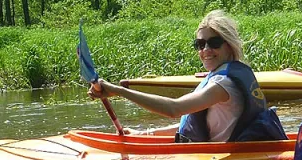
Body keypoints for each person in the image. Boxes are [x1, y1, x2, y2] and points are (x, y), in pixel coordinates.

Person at [87, 10, 287, 143]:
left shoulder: (223, 84)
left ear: (229, 45)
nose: (205, 50)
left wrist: (119, 91)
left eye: (213, 43)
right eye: (200, 44)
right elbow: (190, 123)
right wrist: (146, 134)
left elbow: (174, 108)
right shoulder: (221, 75)